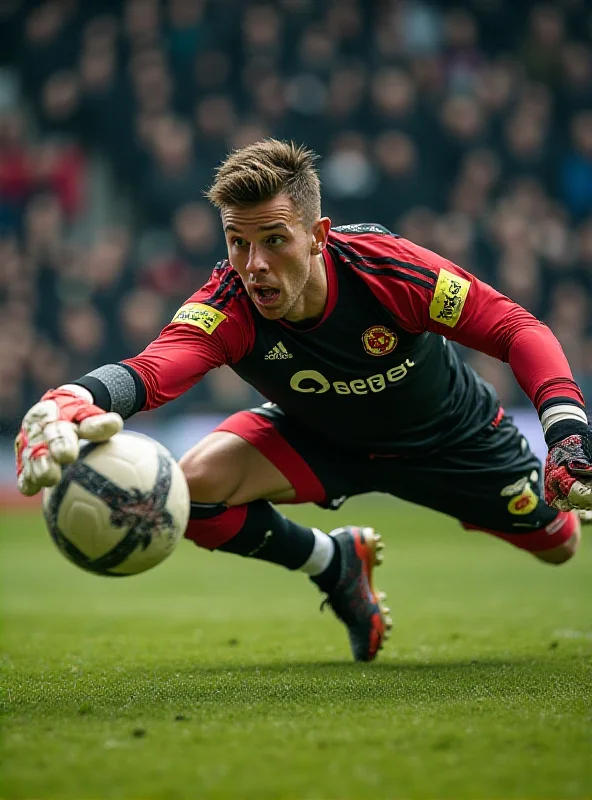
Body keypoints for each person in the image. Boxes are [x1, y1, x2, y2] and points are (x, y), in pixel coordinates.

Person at [15, 140, 592, 662]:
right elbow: (152, 369)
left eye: (273, 240)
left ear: (317, 235)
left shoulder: (387, 269)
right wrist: (73, 395)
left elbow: (518, 330)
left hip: (452, 439)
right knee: (188, 494)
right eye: (237, 243)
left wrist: (565, 430)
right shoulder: (227, 303)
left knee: (560, 545)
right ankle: (333, 563)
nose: (254, 264)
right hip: (323, 440)